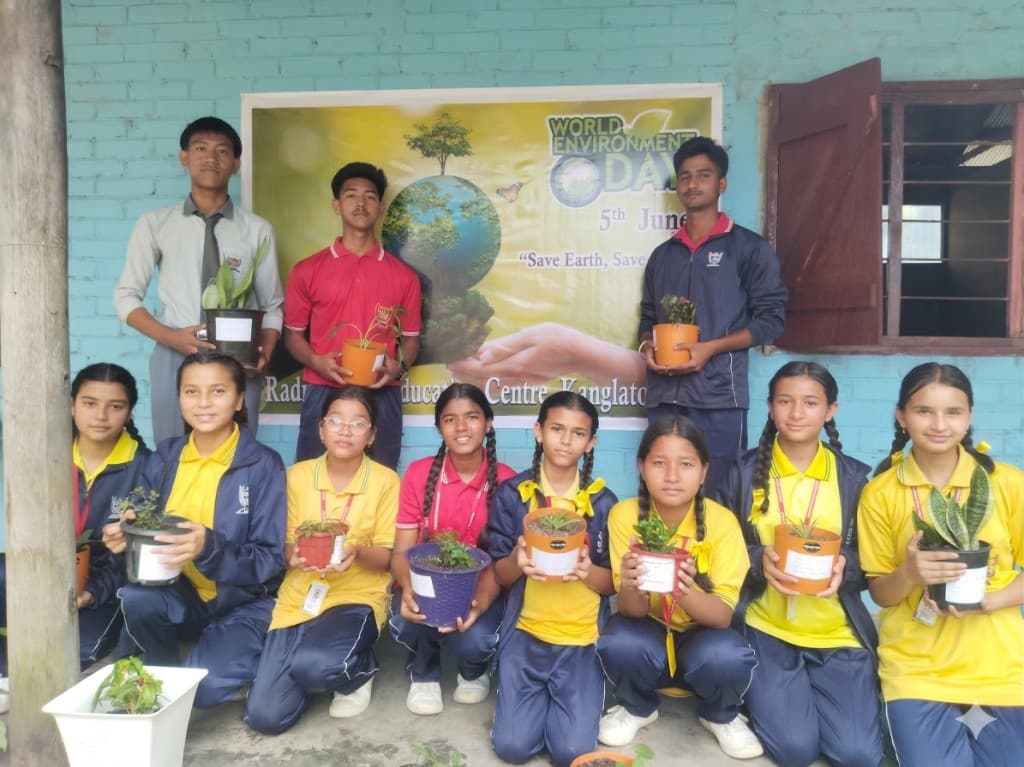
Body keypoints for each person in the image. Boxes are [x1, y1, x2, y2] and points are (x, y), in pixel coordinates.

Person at [710, 361, 881, 767]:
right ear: (770, 407)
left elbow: (872, 558)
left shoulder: (854, 478)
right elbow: (716, 543)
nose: (797, 413)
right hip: (768, 626)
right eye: (785, 401)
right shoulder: (742, 471)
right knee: (794, 750)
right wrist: (758, 562)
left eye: (810, 402)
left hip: (835, 631)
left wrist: (845, 567)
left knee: (856, 754)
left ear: (831, 410)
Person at [858, 362, 1024, 767]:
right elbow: (880, 590)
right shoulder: (881, 492)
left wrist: (991, 600)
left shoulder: (1006, 483)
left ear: (968, 417)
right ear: (901, 416)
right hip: (917, 671)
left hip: (1001, 668)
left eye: (953, 412)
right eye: (923, 411)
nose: (939, 424)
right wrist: (910, 574)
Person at [102, 351, 286, 708]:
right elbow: (140, 513)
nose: (203, 403)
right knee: (137, 598)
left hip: (243, 604)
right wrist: (126, 531)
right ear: (179, 397)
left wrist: (209, 546)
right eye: (191, 392)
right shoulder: (167, 456)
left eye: (217, 392)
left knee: (201, 691)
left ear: (238, 400)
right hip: (180, 593)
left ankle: (238, 658)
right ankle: (162, 671)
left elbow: (270, 559)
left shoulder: (262, 464)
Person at [597, 415, 760, 760]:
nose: (672, 476)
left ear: (703, 472)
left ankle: (721, 714)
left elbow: (721, 616)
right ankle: (638, 707)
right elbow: (630, 611)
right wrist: (630, 584)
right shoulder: (625, 516)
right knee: (620, 640)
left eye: (686, 464)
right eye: (659, 463)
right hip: (648, 628)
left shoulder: (721, 522)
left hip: (704, 632)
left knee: (727, 656)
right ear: (641, 467)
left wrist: (682, 589)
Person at [114, 116, 284, 443]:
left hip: (238, 359)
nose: (211, 158)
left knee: (239, 453)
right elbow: (125, 297)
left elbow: (273, 305)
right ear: (184, 157)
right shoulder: (155, 224)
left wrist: (264, 350)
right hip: (173, 353)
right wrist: (170, 337)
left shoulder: (257, 230)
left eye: (222, 151)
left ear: (236, 164)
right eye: (200, 148)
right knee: (171, 452)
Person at [245, 387, 399, 733]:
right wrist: (296, 556)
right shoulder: (297, 476)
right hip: (299, 596)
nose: (345, 430)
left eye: (358, 423)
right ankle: (319, 665)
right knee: (266, 717)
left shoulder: (385, 481)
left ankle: (355, 673)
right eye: (336, 420)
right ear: (320, 429)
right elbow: (285, 547)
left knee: (314, 668)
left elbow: (387, 557)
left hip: (355, 597)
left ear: (372, 435)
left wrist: (357, 552)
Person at [638, 136, 787, 473]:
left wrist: (710, 349)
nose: (693, 184)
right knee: (663, 488)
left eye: (703, 175)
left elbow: (771, 321)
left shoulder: (749, 248)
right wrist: (647, 345)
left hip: (721, 397)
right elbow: (648, 315)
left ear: (721, 184)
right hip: (664, 396)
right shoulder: (663, 256)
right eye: (686, 176)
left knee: (722, 492)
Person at [487, 391, 617, 767]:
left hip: (580, 640)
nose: (566, 440)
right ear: (538, 431)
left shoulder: (603, 502)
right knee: (512, 748)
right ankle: (529, 705)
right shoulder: (514, 495)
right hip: (526, 634)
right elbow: (499, 572)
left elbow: (611, 584)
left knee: (572, 753)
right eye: (557, 429)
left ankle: (563, 704)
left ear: (591, 441)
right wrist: (517, 560)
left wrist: (586, 571)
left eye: (578, 433)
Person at [0, 363, 150, 679]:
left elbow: (135, 562)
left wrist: (92, 591)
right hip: (46, 571)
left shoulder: (146, 468)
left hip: (105, 585)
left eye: (116, 406)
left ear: (129, 411)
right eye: (89, 403)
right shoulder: (48, 456)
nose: (101, 416)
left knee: (77, 653)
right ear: (71, 405)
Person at [283, 161, 422, 469]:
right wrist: (317, 361)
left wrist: (397, 368)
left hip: (382, 393)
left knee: (381, 479)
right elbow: (292, 336)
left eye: (370, 196)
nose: (360, 203)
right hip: (322, 388)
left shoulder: (404, 277)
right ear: (336, 205)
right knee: (311, 477)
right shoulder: (307, 270)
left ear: (382, 207)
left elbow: (411, 340)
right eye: (351, 195)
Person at [389, 383, 516, 716]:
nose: (461, 428)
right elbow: (401, 553)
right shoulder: (418, 474)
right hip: (426, 587)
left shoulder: (507, 481)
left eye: (472, 417)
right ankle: (424, 671)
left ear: (488, 423)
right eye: (450, 419)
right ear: (439, 428)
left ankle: (473, 669)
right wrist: (408, 592)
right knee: (406, 619)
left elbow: (503, 565)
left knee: (475, 639)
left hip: (481, 589)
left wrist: (479, 605)